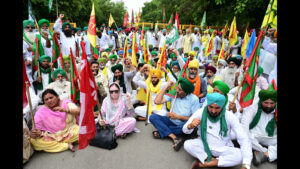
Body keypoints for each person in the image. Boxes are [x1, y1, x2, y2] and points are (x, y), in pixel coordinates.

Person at [183, 93, 252, 169]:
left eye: (217, 108)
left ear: (222, 106)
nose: (213, 111)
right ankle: (215, 161)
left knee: (241, 156)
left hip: (222, 147)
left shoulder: (229, 116)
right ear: (208, 104)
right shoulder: (200, 112)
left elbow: (243, 138)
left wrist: (246, 164)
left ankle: (205, 164)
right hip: (203, 144)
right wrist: (190, 126)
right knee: (187, 144)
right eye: (211, 107)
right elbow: (185, 130)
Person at [151, 77, 200, 151]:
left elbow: (195, 118)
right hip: (171, 121)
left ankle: (164, 131)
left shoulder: (194, 99)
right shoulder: (174, 94)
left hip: (183, 124)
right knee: (152, 117)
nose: (177, 90)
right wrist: (166, 87)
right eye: (177, 88)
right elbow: (157, 101)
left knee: (188, 128)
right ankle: (174, 137)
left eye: (180, 90)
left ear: (186, 92)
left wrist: (178, 117)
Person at [241, 86, 277, 166]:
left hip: (271, 138)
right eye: (266, 103)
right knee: (245, 136)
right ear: (261, 101)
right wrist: (263, 149)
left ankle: (265, 154)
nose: (269, 106)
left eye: (272, 103)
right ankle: (266, 152)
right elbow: (244, 125)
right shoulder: (253, 108)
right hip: (255, 136)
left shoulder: (276, 111)